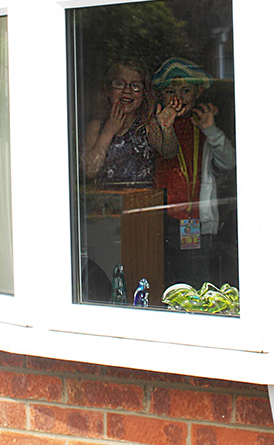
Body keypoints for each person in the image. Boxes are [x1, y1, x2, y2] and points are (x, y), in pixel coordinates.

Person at [151, 58, 237, 288]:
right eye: (170, 91)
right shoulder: (155, 124)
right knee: (160, 278)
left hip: (197, 221)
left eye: (186, 90)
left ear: (198, 92)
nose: (177, 98)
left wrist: (211, 130)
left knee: (195, 280)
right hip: (161, 220)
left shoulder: (202, 125)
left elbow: (229, 163)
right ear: (160, 96)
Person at [82, 60, 180, 185]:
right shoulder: (96, 127)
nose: (127, 90)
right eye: (119, 84)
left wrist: (167, 128)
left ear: (144, 93)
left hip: (142, 200)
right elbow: (89, 171)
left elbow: (169, 152)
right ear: (107, 89)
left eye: (135, 86)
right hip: (107, 202)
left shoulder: (147, 125)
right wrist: (108, 131)